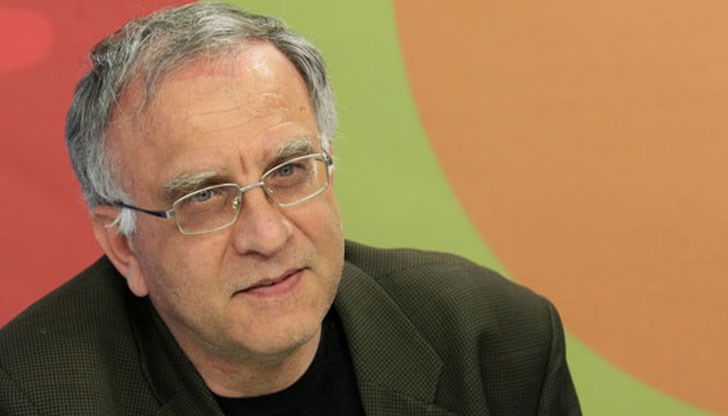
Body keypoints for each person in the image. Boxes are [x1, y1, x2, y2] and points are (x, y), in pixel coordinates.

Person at [0, 3, 580, 415]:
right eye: (203, 196)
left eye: (288, 171)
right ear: (123, 244)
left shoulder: (496, 340)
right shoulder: (28, 396)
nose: (267, 235)